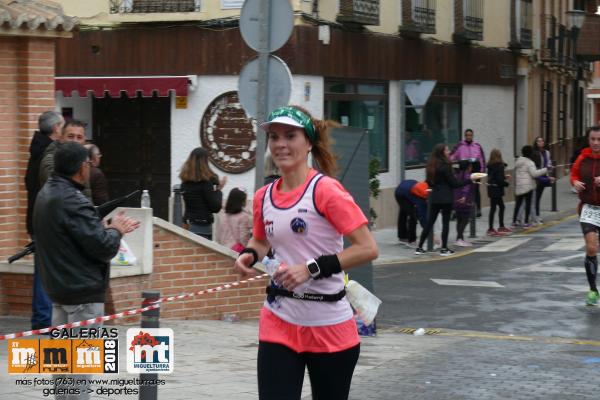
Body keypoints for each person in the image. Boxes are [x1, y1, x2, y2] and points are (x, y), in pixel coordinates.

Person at [234, 105, 378, 400]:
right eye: (274, 137)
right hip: (279, 320)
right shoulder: (264, 195)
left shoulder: (326, 191)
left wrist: (310, 268)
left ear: (308, 143)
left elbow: (368, 248)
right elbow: (261, 240)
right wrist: (249, 254)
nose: (280, 144)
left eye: (290, 135)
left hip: (328, 324)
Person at [33, 141, 139, 399]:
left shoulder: (47, 193)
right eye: (89, 164)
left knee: (62, 369)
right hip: (82, 294)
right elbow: (103, 247)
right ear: (82, 167)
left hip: (59, 292)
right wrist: (116, 229)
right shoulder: (72, 200)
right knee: (79, 372)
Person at [25, 111, 64, 331]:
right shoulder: (48, 154)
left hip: (35, 217)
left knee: (44, 269)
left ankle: (43, 318)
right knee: (46, 271)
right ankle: (43, 319)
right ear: (56, 128)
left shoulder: (36, 151)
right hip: (44, 220)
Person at [415, 144, 478, 256]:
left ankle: (419, 247)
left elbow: (428, 182)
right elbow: (454, 184)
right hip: (446, 198)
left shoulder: (431, 165)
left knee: (430, 223)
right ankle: (444, 249)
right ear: (442, 152)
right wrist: (470, 180)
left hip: (434, 197)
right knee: (445, 223)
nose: (449, 152)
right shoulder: (446, 165)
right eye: (447, 150)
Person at [570, 126, 600, 306]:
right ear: (588, 140)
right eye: (593, 139)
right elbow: (573, 174)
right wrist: (575, 182)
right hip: (588, 208)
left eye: (599, 139)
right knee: (591, 249)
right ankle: (593, 290)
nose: (596, 143)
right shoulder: (582, 157)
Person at [179, 147, 227, 240]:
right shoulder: (205, 184)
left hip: (188, 224)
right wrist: (219, 190)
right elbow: (215, 207)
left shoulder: (185, 183)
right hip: (202, 227)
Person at [39, 119, 92, 201]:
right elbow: (59, 189)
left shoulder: (82, 160)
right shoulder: (50, 160)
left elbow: (86, 194)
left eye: (79, 137)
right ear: (61, 138)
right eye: (70, 136)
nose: (75, 141)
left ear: (84, 140)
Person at [450, 129, 486, 217]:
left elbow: (482, 159)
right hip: (463, 171)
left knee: (476, 190)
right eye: (467, 135)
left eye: (470, 135)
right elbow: (452, 156)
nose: (468, 137)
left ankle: (478, 209)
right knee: (462, 190)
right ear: (465, 136)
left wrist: (482, 171)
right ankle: (461, 208)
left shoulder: (477, 146)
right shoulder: (460, 145)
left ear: (472, 136)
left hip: (475, 171)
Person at [512, 145, 548, 228]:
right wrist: (545, 169)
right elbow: (534, 174)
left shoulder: (518, 161)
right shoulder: (530, 163)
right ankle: (525, 223)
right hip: (528, 186)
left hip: (519, 185)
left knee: (518, 204)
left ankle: (514, 222)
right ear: (530, 153)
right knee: (528, 204)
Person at [216, 187, 252, 252]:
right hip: (235, 251)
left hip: (222, 249)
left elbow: (218, 235)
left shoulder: (223, 215)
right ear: (242, 200)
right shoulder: (244, 216)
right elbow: (243, 238)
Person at [394, 180, 429, 246]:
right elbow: (421, 216)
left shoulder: (424, 188)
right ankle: (411, 240)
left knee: (404, 212)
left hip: (405, 187)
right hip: (400, 194)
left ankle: (402, 236)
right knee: (413, 215)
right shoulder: (420, 199)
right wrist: (428, 231)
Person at [486, 149, 511, 236]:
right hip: (497, 189)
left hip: (491, 188)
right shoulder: (500, 166)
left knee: (499, 207)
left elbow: (494, 177)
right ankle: (492, 228)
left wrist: (504, 177)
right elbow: (499, 180)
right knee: (496, 208)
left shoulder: (490, 165)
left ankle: (498, 226)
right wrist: (506, 183)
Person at [532, 136, 553, 224]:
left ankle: (535, 215)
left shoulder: (546, 152)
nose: (540, 143)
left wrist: (550, 166)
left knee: (538, 197)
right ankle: (536, 216)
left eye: (542, 141)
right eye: (538, 141)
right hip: (537, 176)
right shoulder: (535, 153)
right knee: (536, 198)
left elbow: (548, 162)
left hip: (544, 175)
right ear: (536, 143)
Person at [453, 160, 475, 247]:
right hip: (464, 200)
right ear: (468, 167)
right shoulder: (467, 175)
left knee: (459, 220)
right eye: (470, 166)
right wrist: (465, 197)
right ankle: (459, 238)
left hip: (456, 199)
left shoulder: (457, 175)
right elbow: (466, 187)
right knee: (465, 220)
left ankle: (459, 239)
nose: (471, 168)